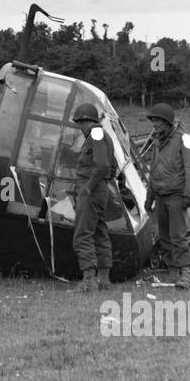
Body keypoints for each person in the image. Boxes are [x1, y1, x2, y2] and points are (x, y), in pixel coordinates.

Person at [142, 102, 190, 289]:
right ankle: (172, 270)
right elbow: (153, 171)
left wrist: (189, 195)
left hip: (176, 195)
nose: (155, 126)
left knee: (177, 236)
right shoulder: (157, 141)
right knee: (164, 235)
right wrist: (149, 197)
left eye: (158, 122)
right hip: (160, 195)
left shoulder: (184, 139)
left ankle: (185, 273)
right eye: (153, 123)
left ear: (167, 122)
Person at [69, 102, 115, 291]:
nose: (80, 128)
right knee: (99, 232)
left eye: (80, 123)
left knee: (82, 234)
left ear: (87, 121)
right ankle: (104, 279)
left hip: (91, 191)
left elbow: (103, 165)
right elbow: (112, 169)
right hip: (101, 190)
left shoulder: (95, 134)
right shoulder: (105, 136)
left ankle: (88, 281)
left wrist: (88, 187)